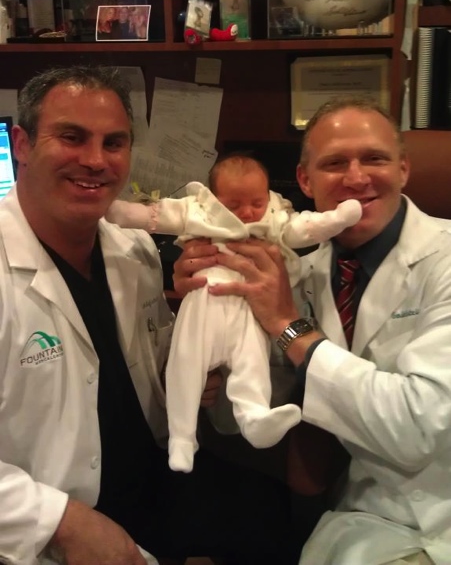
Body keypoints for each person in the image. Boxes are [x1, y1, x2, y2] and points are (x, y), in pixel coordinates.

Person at [0, 65, 311, 565]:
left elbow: (142, 365)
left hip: (155, 478)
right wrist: (60, 521)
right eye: (72, 137)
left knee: (276, 517)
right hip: (51, 517)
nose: (95, 160)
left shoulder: (135, 250)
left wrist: (195, 329)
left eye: (114, 143)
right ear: (22, 143)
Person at [173, 94, 451, 565]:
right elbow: (249, 412)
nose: (357, 177)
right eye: (335, 162)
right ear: (305, 180)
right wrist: (212, 357)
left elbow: (419, 425)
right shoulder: (300, 273)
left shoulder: (443, 259)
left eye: (375, 159)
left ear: (404, 169)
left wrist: (288, 327)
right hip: (362, 513)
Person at [105, 155, 361, 473]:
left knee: (251, 360)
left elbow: (306, 227)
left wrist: (337, 219)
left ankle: (255, 417)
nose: (248, 212)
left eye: (257, 201)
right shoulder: (199, 210)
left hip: (246, 310)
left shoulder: (274, 220)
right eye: (234, 203)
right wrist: (119, 211)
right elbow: (156, 216)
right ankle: (181, 439)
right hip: (204, 302)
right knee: (186, 366)